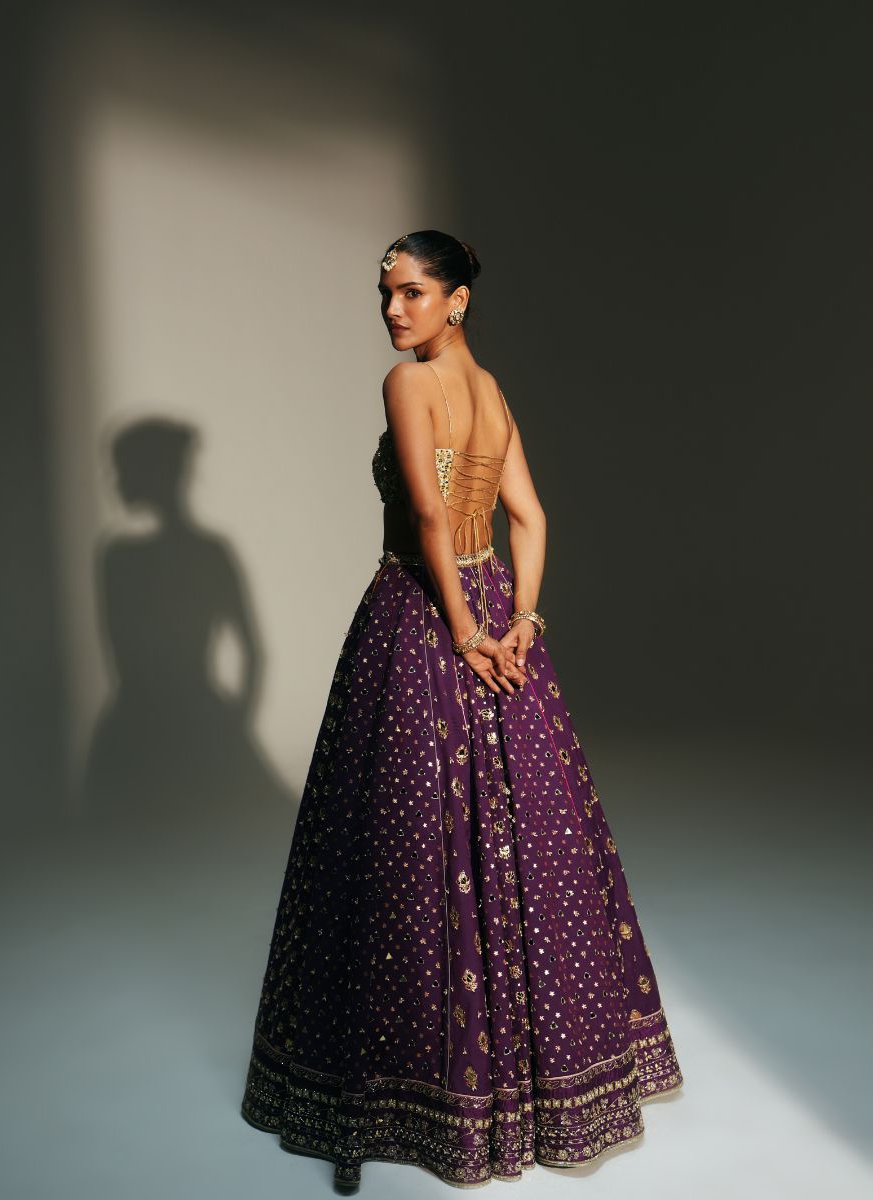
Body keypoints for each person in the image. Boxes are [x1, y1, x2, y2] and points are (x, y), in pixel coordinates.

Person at [240, 230, 683, 1190]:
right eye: (385, 294)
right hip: (492, 609)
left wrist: (466, 633)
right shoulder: (491, 392)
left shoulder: (409, 387)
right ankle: (527, 1086)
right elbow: (531, 517)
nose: (393, 311)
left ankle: (380, 1099)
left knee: (392, 843)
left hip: (422, 612)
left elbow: (431, 519)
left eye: (411, 292)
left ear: (457, 300)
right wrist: (519, 621)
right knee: (519, 836)